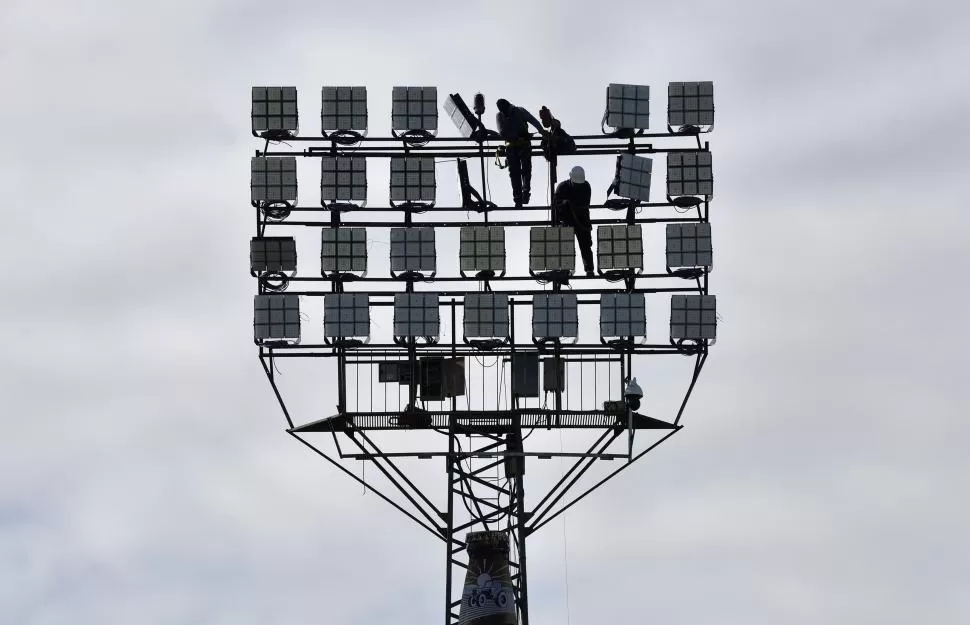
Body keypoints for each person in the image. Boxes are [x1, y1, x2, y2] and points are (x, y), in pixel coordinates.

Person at [495, 99, 545, 206]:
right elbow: (502, 132)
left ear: (509, 106)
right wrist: (517, 135)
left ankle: (525, 192)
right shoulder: (500, 116)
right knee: (514, 173)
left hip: (524, 145)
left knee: (526, 169)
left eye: (506, 111)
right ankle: (517, 197)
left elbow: (534, 121)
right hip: (511, 147)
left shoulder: (519, 111)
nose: (506, 114)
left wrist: (542, 132)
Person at [553, 166, 595, 276]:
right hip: (567, 220)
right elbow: (556, 207)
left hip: (582, 220)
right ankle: (566, 270)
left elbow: (585, 204)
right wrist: (564, 205)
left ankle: (589, 269)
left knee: (585, 245)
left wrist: (570, 205)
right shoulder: (562, 187)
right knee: (566, 247)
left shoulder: (586, 186)